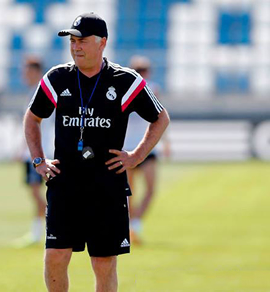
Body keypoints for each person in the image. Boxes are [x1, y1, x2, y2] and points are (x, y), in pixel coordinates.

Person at [23, 12, 169, 292]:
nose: (75, 46)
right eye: (72, 40)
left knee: (103, 262)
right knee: (56, 256)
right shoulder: (57, 78)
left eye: (82, 40)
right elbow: (32, 118)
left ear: (102, 42)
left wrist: (136, 156)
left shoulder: (126, 80)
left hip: (107, 186)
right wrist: (39, 160)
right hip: (64, 183)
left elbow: (160, 118)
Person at [124, 55, 170, 245]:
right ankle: (131, 227)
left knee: (147, 190)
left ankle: (134, 224)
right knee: (130, 192)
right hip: (128, 146)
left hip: (146, 146)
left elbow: (159, 117)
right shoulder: (127, 89)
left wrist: (166, 141)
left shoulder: (151, 89)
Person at [14, 57, 52, 247]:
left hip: (40, 152)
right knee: (37, 193)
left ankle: (53, 225)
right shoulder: (34, 92)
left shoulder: (41, 92)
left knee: (38, 193)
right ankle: (37, 233)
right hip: (34, 151)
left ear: (36, 72)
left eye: (27, 71)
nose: (24, 75)